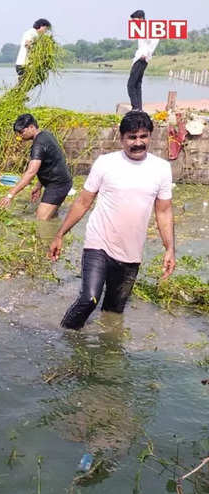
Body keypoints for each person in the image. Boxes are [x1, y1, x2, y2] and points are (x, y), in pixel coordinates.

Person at [48, 111, 175, 330]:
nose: (138, 143)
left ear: (150, 137)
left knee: (113, 313)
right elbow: (83, 202)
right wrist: (60, 234)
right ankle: (63, 339)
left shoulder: (161, 169)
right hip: (99, 244)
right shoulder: (106, 163)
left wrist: (170, 248)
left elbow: (163, 212)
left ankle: (102, 360)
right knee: (89, 299)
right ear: (121, 138)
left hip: (131, 253)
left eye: (143, 137)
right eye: (131, 137)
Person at [0, 113, 73, 220]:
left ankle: (54, 235)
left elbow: (31, 172)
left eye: (21, 132)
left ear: (32, 127)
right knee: (51, 217)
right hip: (57, 182)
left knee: (40, 220)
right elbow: (49, 163)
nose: (19, 136)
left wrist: (11, 194)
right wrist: (39, 186)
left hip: (58, 185)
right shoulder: (46, 135)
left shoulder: (38, 144)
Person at [127, 10, 158, 111]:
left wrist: (146, 54)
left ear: (141, 18)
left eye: (135, 20)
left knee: (131, 85)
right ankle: (138, 108)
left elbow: (154, 41)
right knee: (137, 84)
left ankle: (135, 107)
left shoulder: (148, 28)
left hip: (142, 58)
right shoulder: (142, 29)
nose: (134, 23)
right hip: (141, 58)